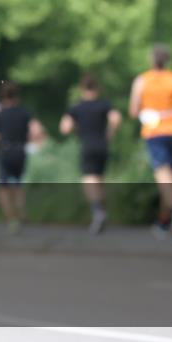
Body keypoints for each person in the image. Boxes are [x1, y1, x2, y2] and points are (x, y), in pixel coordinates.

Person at [128, 45, 172, 238]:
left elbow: (133, 110)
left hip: (154, 132)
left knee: (163, 174)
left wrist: (146, 112)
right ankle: (164, 222)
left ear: (151, 60)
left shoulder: (142, 81)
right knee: (170, 177)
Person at [59, 73, 121, 234]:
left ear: (82, 89)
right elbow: (116, 119)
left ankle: (98, 211)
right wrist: (111, 133)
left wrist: (76, 129)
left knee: (89, 179)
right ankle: (102, 212)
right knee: (99, 180)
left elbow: (64, 128)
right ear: (97, 88)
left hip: (87, 145)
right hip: (103, 145)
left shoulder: (77, 107)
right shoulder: (104, 104)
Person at [0, 80, 44, 235]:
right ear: (17, 96)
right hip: (20, 151)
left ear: (2, 97)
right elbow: (37, 130)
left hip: (5, 151)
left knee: (3, 188)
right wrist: (29, 139)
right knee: (18, 185)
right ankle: (21, 211)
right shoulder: (25, 112)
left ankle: (11, 219)